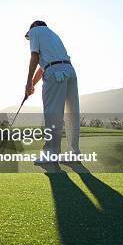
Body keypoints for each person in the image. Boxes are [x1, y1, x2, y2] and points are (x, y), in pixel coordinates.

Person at [24, 21, 80, 164]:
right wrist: (32, 85)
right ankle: (74, 154)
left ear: (33, 27)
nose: (30, 39)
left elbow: (35, 58)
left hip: (55, 74)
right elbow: (45, 65)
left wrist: (28, 82)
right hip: (70, 71)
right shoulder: (53, 35)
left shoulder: (35, 31)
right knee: (71, 115)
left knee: (52, 115)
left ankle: (50, 155)